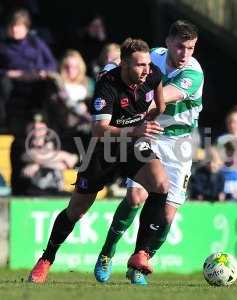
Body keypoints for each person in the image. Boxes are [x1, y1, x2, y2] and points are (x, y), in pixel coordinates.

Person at [27, 38, 168, 283]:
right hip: (103, 149)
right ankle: (46, 259)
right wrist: (135, 130)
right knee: (77, 211)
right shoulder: (107, 84)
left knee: (161, 186)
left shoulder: (152, 74)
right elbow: (98, 130)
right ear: (124, 64)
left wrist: (151, 117)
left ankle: (140, 255)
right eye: (139, 65)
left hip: (132, 145)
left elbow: (160, 102)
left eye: (147, 64)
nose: (146, 70)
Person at [94, 20, 203, 285]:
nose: (185, 54)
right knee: (135, 195)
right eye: (180, 47)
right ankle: (107, 252)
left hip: (178, 141)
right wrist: (108, 75)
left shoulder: (193, 72)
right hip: (148, 133)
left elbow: (157, 98)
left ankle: (140, 261)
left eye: (190, 48)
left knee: (166, 214)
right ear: (168, 43)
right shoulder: (151, 57)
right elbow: (118, 66)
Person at [0, 8, 57, 132]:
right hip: (13, 82)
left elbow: (52, 63)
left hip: (35, 80)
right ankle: (3, 124)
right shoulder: (1, 46)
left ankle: (47, 124)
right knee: (3, 84)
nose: (15, 29)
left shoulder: (37, 43)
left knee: (50, 85)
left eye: (19, 26)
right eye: (13, 26)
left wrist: (42, 72)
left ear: (26, 28)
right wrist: (10, 73)